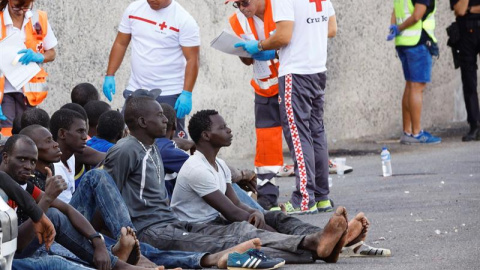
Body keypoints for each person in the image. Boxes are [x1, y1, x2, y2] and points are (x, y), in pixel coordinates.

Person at [104, 94, 350, 264]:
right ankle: (312, 244)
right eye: (159, 116)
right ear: (143, 122)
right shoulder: (127, 149)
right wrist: (110, 239)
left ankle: (316, 246)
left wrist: (255, 215)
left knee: (244, 232)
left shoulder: (152, 149)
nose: (166, 120)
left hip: (171, 224)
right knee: (235, 237)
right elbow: (106, 193)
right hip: (152, 231)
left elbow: (236, 205)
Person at [20, 124, 266, 269]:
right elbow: (40, 224)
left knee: (98, 179)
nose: (55, 145)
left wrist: (97, 239)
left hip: (68, 230)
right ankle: (129, 256)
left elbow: (70, 207)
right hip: (41, 246)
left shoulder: (55, 167)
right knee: (58, 221)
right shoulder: (22, 181)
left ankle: (205, 259)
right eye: (49, 141)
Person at [172, 109, 391, 257]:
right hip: (196, 229)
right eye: (222, 128)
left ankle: (329, 238)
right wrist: (254, 217)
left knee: (274, 216)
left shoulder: (218, 164)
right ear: (206, 135)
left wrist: (257, 214)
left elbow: (237, 203)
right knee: (248, 231)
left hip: (216, 221)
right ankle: (318, 244)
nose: (229, 130)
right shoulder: (196, 168)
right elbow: (231, 212)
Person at [235, 0, 337, 214]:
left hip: (296, 73)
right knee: (316, 132)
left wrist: (261, 46)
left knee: (298, 136)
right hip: (317, 69)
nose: (241, 7)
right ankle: (322, 197)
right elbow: (331, 29)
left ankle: (303, 199)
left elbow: (283, 36)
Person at [1, 135, 162, 270]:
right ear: (6, 157)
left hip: (40, 238)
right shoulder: (3, 192)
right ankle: (118, 261)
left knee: (57, 215)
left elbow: (66, 209)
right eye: (22, 159)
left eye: (32, 162)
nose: (28, 166)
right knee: (53, 261)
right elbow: (15, 246)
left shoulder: (22, 184)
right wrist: (47, 199)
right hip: (9, 258)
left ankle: (120, 256)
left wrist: (97, 241)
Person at [102, 0, 200, 139]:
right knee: (125, 139)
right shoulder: (134, 10)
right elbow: (121, 43)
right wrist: (110, 74)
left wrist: (187, 93)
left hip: (169, 93)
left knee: (169, 143)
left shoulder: (184, 20)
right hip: (136, 89)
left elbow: (193, 59)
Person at [224, 0, 284, 211]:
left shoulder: (280, 7)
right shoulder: (238, 20)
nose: (241, 8)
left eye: (244, 2)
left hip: (290, 82)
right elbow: (248, 61)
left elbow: (294, 41)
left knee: (301, 139)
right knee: (267, 142)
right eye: (237, 4)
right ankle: (268, 197)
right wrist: (244, 52)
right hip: (264, 86)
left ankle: (310, 193)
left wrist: (270, 50)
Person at [386, 0, 441, 144]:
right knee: (417, 88)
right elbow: (417, 16)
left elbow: (394, 12)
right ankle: (417, 133)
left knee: (410, 86)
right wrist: (399, 28)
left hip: (403, 43)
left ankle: (407, 132)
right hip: (418, 43)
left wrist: (395, 29)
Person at [0, 0, 57, 137]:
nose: (21, 11)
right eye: (16, 7)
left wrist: (39, 56)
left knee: (28, 135)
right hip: (4, 93)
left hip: (29, 93)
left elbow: (52, 53)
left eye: (25, 7)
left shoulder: (38, 19)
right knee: (8, 137)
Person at [450, 0, 480, 141]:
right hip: (466, 33)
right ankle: (475, 124)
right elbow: (460, 10)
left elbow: (465, 10)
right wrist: (469, 9)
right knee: (468, 81)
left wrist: (470, 9)